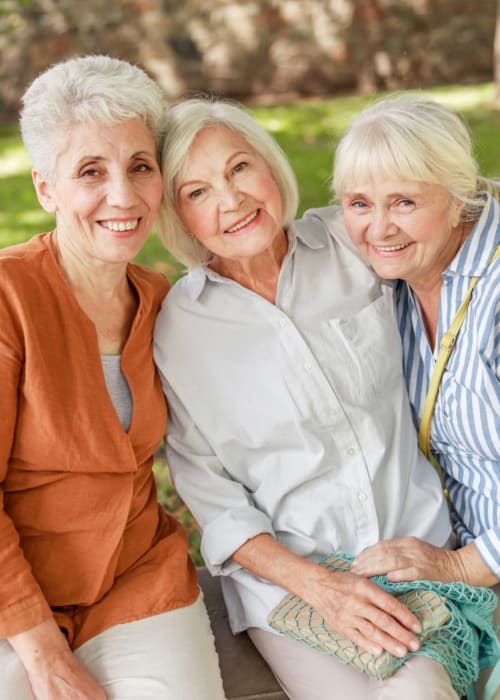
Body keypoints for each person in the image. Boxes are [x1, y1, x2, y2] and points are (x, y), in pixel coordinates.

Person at [153, 96, 458, 700]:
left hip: (416, 550)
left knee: (418, 691)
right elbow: (215, 502)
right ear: (178, 217)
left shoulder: (357, 243)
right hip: (293, 588)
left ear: (271, 166)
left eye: (240, 168)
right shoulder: (179, 331)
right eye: (198, 191)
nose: (232, 199)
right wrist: (319, 587)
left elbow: (449, 231)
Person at [0, 56, 226, 700]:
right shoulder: (7, 296)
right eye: (90, 173)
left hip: (135, 578)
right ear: (46, 188)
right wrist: (43, 652)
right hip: (13, 598)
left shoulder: (163, 301)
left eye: (139, 167)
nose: (123, 198)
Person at [332, 93, 499, 699]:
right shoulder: (397, 281)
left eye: (404, 201)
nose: (379, 227)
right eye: (359, 204)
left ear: (459, 196)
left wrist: (463, 566)